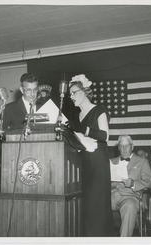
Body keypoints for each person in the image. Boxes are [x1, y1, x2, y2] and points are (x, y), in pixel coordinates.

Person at [66, 74, 113, 236]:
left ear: (85, 91)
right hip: (84, 161)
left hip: (98, 162)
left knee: (97, 204)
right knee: (86, 205)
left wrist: (81, 129)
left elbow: (105, 135)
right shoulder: (78, 116)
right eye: (69, 94)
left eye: (74, 92)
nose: (71, 97)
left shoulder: (99, 110)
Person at [111, 135, 151, 236]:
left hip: (130, 197)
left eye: (127, 146)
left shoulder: (142, 162)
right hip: (111, 196)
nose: (124, 149)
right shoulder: (111, 162)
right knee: (92, 203)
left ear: (132, 146)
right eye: (121, 146)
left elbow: (150, 182)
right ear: (118, 147)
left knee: (129, 207)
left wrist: (133, 183)